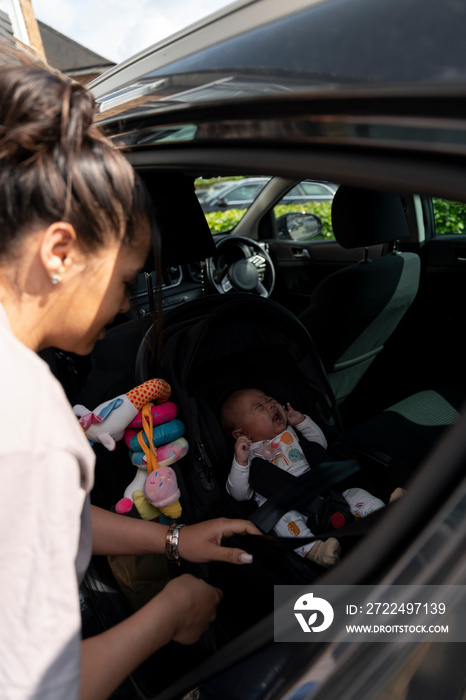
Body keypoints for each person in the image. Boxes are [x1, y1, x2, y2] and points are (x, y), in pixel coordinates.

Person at [0, 45, 258, 700]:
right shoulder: (29, 416)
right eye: (122, 281)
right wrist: (170, 613)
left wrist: (173, 538)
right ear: (59, 250)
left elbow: (43, 514)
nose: (122, 306)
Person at [222, 388, 404, 568]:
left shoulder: (291, 432)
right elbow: (239, 494)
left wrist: (301, 422)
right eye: (259, 406)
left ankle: (383, 513)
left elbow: (320, 445)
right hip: (286, 504)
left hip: (325, 488)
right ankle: (317, 550)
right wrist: (240, 461)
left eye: (269, 398)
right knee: (284, 522)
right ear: (242, 434)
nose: (270, 404)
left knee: (355, 494)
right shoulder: (247, 456)